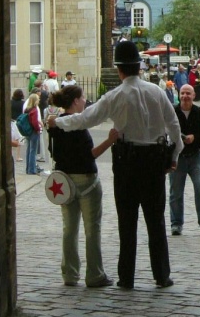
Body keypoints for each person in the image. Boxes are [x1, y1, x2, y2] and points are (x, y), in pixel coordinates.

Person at [47, 41, 183, 290]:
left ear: (120, 70)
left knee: (127, 221)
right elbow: (174, 127)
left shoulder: (115, 96)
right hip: (153, 159)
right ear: (139, 68)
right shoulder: (156, 92)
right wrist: (174, 156)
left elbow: (85, 118)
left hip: (127, 162)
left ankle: (127, 277)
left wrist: (58, 123)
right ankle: (162, 275)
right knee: (156, 221)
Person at [48, 85, 116, 288]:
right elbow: (90, 154)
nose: (85, 100)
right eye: (83, 97)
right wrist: (110, 140)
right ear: (76, 101)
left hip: (64, 181)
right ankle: (94, 274)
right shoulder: (76, 125)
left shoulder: (55, 124)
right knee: (91, 228)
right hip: (85, 178)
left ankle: (69, 273)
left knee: (69, 228)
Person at [169, 84, 200, 235]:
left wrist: (195, 137)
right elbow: (165, 129)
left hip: (194, 156)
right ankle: (176, 224)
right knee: (176, 192)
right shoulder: (172, 112)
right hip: (177, 156)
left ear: (194, 95)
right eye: (182, 93)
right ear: (178, 95)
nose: (185, 96)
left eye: (188, 93)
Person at [23, 92, 43, 175]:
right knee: (33, 151)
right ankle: (32, 170)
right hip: (33, 131)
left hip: (28, 131)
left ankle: (28, 168)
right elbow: (34, 122)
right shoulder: (34, 110)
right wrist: (38, 129)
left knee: (28, 150)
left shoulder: (27, 109)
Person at [11, 89, 25, 162]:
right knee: (19, 137)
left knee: (13, 137)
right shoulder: (23, 103)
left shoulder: (10, 102)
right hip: (19, 121)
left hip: (12, 120)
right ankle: (18, 156)